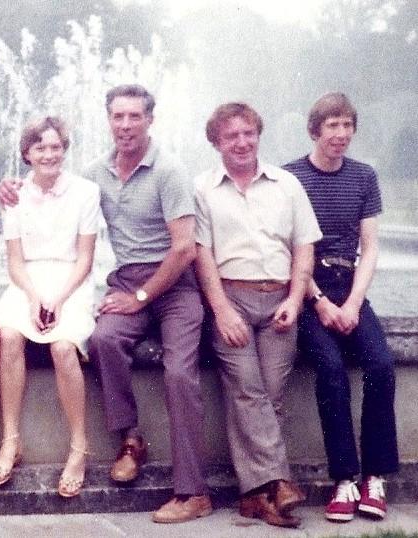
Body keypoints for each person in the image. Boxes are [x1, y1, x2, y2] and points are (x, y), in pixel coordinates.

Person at [0, 84, 209, 524]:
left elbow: (184, 249)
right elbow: (54, 186)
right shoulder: (96, 175)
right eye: (118, 117)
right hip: (129, 281)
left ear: (150, 119)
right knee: (105, 341)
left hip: (175, 286)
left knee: (179, 372)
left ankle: (193, 492)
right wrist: (10, 185)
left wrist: (141, 297)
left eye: (135, 116)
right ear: (109, 120)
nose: (126, 125)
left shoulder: (170, 171)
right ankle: (130, 439)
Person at [194, 102, 322, 528]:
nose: (242, 142)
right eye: (231, 136)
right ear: (216, 142)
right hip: (232, 298)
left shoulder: (287, 185)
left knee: (270, 394)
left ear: (258, 135)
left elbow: (305, 247)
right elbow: (203, 257)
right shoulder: (204, 189)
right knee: (250, 392)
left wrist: (295, 298)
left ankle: (256, 496)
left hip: (281, 302)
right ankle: (279, 483)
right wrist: (221, 310)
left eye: (249, 133)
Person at [284, 93, 399, 523]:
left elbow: (369, 249)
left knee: (382, 365)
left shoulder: (364, 177)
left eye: (348, 125)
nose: (341, 133)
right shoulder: (291, 177)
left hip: (349, 286)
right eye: (332, 125)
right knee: (330, 369)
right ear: (315, 130)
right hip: (307, 287)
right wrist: (319, 302)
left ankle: (375, 477)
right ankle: (344, 479)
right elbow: (288, 248)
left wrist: (350, 304)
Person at [0, 117, 100, 498]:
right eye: (40, 148)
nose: (49, 154)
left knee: (63, 347)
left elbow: (85, 259)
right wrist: (36, 297)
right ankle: (11, 439)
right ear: (27, 153)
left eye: (55, 147)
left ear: (64, 150)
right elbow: (15, 261)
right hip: (28, 282)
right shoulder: (14, 195)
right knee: (8, 334)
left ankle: (78, 447)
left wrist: (58, 298)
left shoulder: (86, 192)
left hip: (72, 283)